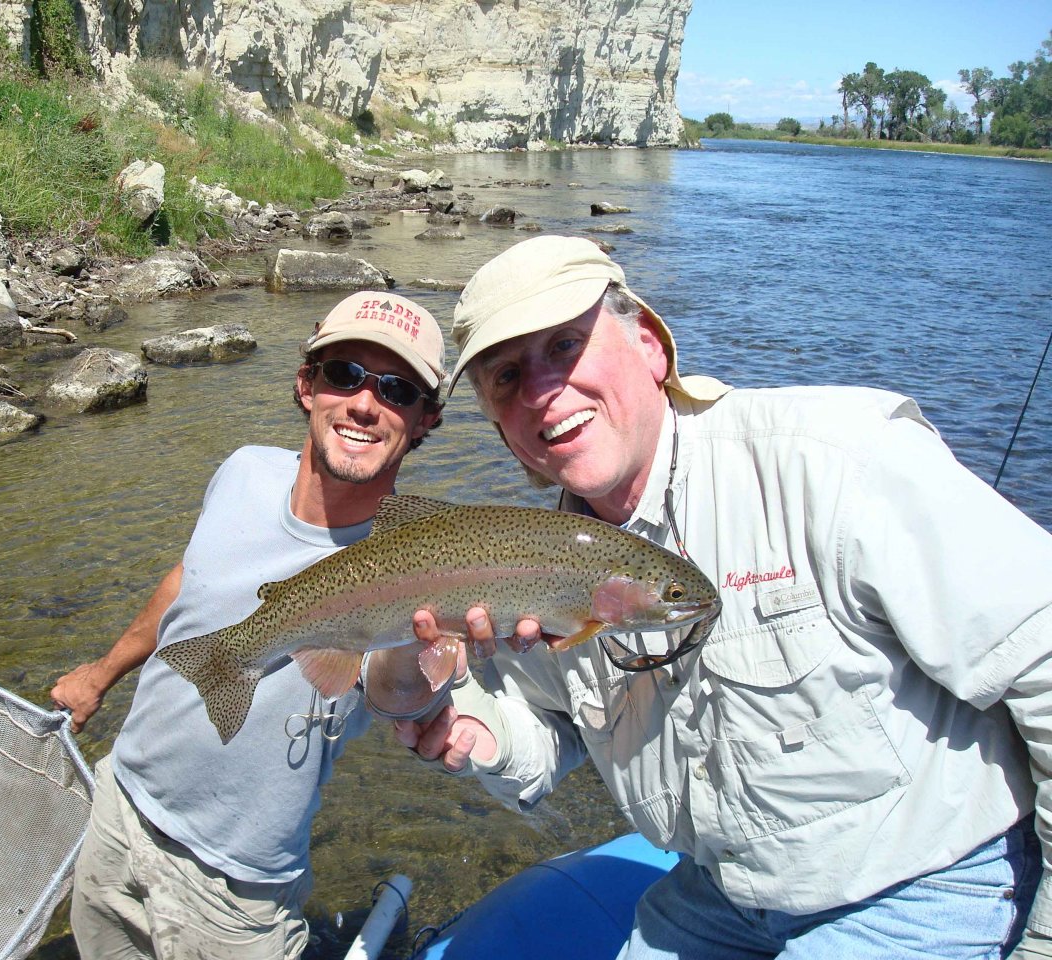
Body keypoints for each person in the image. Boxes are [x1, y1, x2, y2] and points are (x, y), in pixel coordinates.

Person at [380, 235, 1052, 959]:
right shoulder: (532, 567)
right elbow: (550, 733)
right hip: (726, 895)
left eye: (567, 346)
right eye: (508, 377)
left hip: (925, 885)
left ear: (649, 347)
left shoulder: (837, 462)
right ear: (503, 430)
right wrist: (485, 737)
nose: (543, 390)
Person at [51, 290, 448, 960]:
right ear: (306, 386)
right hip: (120, 805)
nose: (364, 403)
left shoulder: (429, 562)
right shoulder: (241, 471)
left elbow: (397, 694)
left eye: (398, 389)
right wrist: (102, 672)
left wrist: (426, 657)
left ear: (425, 420)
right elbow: (186, 580)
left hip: (236, 893)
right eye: (345, 375)